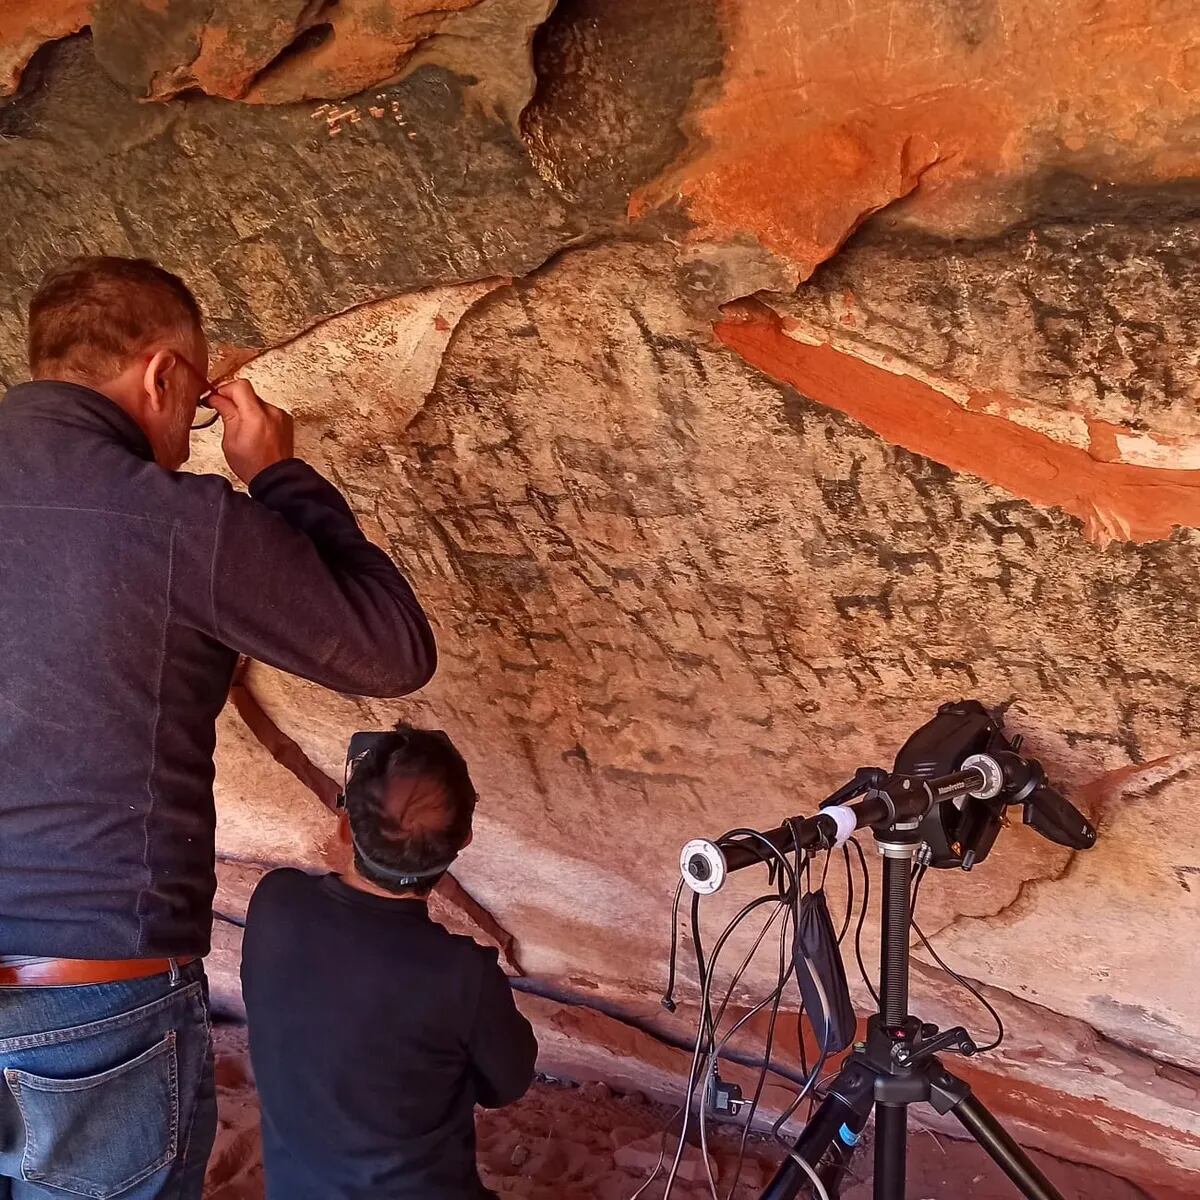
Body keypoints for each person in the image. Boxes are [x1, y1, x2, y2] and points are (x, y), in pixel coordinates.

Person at [0, 257, 437, 1198]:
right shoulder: (175, 522)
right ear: (162, 377)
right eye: (194, 406)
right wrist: (279, 476)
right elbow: (392, 650)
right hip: (91, 988)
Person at [241, 724, 537, 1200]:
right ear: (462, 843)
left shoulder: (275, 902)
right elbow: (507, 1085)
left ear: (343, 828)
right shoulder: (462, 977)